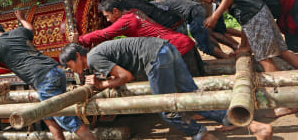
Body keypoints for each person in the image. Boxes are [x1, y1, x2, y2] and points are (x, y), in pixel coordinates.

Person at [60, 40, 272, 140]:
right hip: (166, 49)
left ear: (77, 57)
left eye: (70, 66)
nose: (73, 70)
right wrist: (102, 81)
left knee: (166, 109)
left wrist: (102, 85)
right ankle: (256, 127)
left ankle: (202, 135)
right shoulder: (97, 54)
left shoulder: (95, 58)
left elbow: (126, 76)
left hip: (155, 58)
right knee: (195, 99)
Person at [178, 0, 298, 117]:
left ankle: (288, 101)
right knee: (282, 50)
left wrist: (214, 17)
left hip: (252, 14)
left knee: (265, 59)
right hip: (258, 11)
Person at [0, 10, 96, 140]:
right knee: (48, 114)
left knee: (68, 120)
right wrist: (21, 18)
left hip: (43, 78)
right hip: (55, 71)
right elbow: (30, 28)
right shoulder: (18, 32)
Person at [81, 0, 204, 76]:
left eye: (107, 16)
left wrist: (81, 40)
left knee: (191, 86)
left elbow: (104, 34)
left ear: (115, 11)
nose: (107, 20)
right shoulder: (134, 12)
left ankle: (204, 113)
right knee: (201, 81)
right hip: (183, 42)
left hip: (177, 48)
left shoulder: (125, 21)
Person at [152, 0, 232, 59]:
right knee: (205, 37)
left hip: (196, 12)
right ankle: (225, 53)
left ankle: (226, 57)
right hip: (196, 12)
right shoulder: (171, 3)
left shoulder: (162, 6)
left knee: (203, 43)